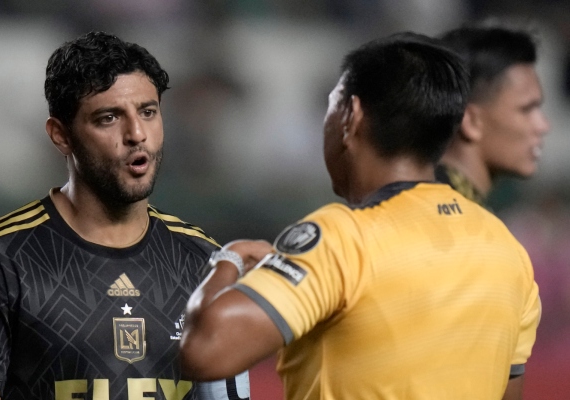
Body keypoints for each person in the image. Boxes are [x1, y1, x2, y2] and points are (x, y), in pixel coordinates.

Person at [179, 32, 540, 399]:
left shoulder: (340, 239)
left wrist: (229, 260)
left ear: (352, 116)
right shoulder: (507, 250)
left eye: (332, 105)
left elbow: (204, 351)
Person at [0, 31, 250, 400]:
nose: (137, 134)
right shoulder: (1, 259)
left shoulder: (203, 262)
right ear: (61, 135)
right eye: (109, 118)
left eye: (148, 112)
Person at [436, 23, 550, 205]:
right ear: (471, 121)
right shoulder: (452, 218)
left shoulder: (430, 202)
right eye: (526, 109)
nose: (543, 126)